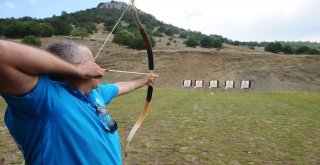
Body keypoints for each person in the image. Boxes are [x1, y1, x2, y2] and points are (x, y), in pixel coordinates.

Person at [0, 39, 156, 164]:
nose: (98, 67)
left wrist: (144, 81)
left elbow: (119, 86)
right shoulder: (44, 99)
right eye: (92, 62)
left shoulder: (95, 93)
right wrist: (77, 70)